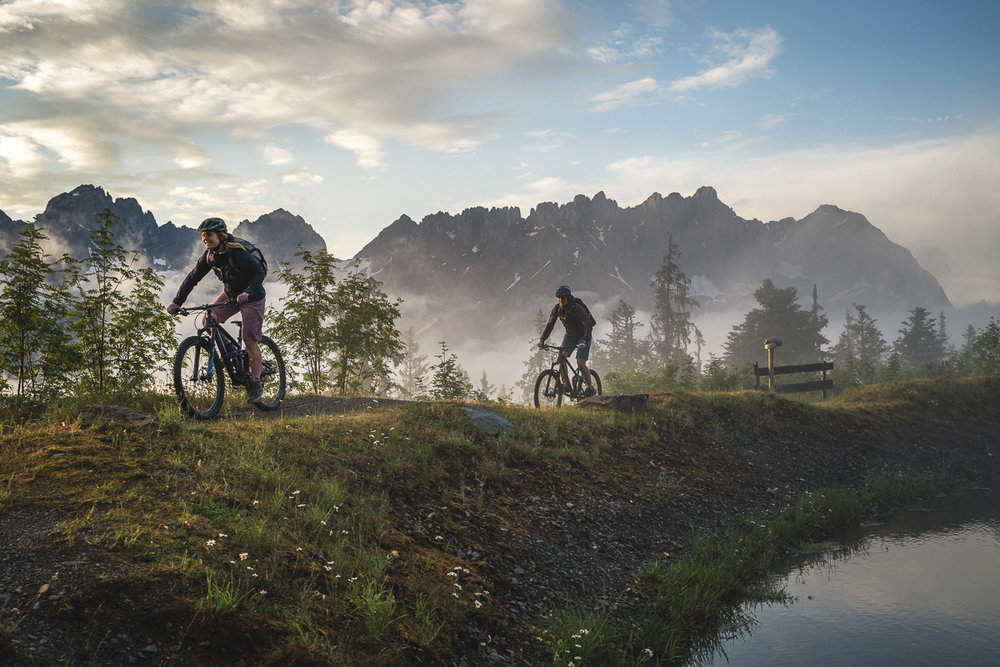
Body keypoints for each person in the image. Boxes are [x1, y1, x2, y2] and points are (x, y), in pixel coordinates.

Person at [166, 217, 267, 403]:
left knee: (249, 339)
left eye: (209, 235)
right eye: (203, 236)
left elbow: (259, 273)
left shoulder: (238, 253)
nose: (206, 239)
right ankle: (233, 355)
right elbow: (192, 278)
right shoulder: (209, 256)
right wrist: (176, 302)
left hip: (252, 297)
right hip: (231, 296)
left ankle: (255, 382)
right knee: (209, 319)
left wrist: (248, 292)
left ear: (220, 235)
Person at [538, 284, 595, 396]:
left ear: (568, 298)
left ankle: (589, 386)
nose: (560, 300)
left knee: (580, 362)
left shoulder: (577, 308)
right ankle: (565, 384)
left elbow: (588, 325)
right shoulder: (557, 309)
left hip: (584, 335)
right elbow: (550, 325)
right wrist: (542, 340)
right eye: (558, 298)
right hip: (570, 335)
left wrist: (584, 341)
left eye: (562, 298)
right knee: (561, 358)